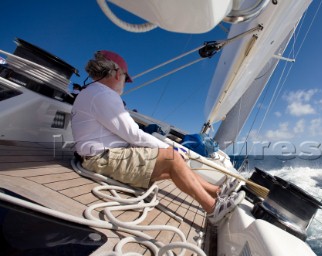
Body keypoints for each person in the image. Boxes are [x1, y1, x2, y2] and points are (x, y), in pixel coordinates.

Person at [71, 50, 244, 224]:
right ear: (117, 74)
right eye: (125, 78)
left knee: (174, 166)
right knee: (172, 158)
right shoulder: (104, 95)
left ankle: (216, 191)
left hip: (101, 155)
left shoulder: (92, 92)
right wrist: (170, 149)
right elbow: (134, 135)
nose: (125, 83)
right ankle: (213, 208)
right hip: (102, 158)